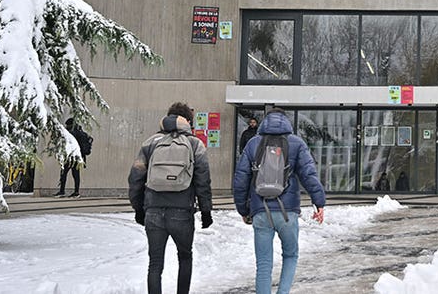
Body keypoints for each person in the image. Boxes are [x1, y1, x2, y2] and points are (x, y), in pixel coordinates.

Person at [234, 108, 326, 294]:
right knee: (291, 255)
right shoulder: (296, 143)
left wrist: (243, 209)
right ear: (286, 122)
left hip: (260, 211)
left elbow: (240, 179)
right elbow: (309, 175)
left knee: (264, 264)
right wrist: (319, 202)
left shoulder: (253, 144)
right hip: (288, 212)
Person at [128, 102, 213, 294]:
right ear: (188, 122)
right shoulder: (195, 144)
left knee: (155, 263)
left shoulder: (150, 142)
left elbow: (136, 177)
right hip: (182, 212)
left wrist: (139, 209)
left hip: (154, 211)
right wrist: (206, 210)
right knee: (185, 257)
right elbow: (203, 180)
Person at [56, 117, 93, 197]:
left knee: (64, 173)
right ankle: (76, 192)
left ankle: (62, 191)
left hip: (70, 157)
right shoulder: (81, 132)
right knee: (75, 175)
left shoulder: (71, 133)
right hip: (78, 157)